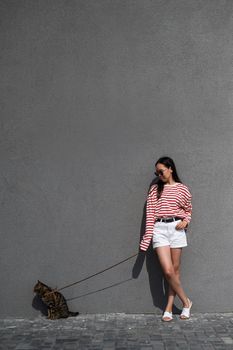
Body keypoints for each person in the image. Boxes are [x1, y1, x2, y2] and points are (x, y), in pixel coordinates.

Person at [140, 156, 193, 321]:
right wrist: (147, 238)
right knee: (168, 271)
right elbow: (150, 215)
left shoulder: (183, 189)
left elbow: (188, 209)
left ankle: (169, 307)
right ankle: (186, 302)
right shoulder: (155, 189)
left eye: (161, 171)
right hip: (159, 229)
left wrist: (185, 221)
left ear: (170, 169)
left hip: (177, 229)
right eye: (156, 172)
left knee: (175, 272)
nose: (159, 175)